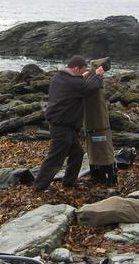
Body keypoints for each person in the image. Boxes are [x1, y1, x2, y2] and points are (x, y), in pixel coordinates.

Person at [32, 55, 105, 192]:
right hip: (61, 126)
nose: (83, 72)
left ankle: (69, 181)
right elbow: (90, 88)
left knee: (77, 153)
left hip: (62, 124)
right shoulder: (72, 83)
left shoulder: (59, 77)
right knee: (55, 157)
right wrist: (99, 75)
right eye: (82, 69)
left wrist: (84, 75)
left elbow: (76, 84)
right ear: (76, 68)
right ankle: (39, 186)